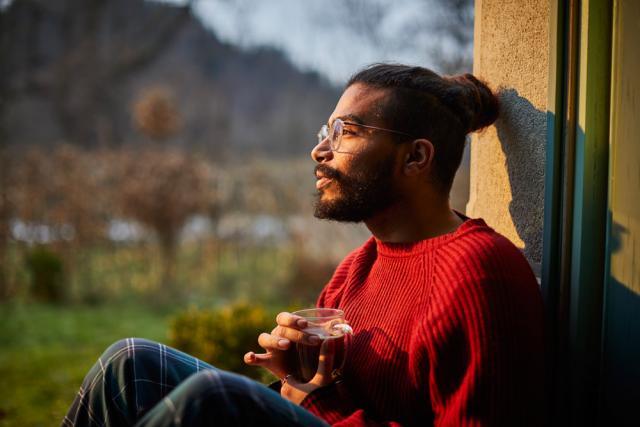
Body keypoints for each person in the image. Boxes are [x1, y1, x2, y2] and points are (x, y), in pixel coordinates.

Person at [62, 64, 545, 427]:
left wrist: (310, 399)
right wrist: (295, 376)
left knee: (213, 397)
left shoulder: (478, 273)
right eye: (324, 133)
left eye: (346, 132)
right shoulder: (359, 268)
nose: (320, 150)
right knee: (130, 363)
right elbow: (320, 393)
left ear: (416, 156)